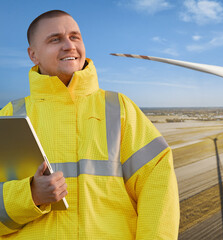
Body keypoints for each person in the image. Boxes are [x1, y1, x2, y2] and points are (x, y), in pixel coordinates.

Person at [0, 10, 179, 239]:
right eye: (55, 39)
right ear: (33, 55)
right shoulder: (9, 117)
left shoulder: (119, 108)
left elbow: (158, 188)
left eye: (75, 37)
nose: (69, 45)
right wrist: (30, 196)